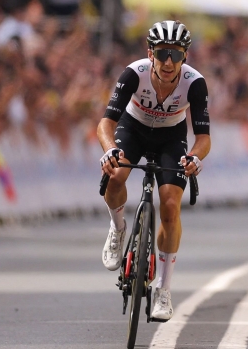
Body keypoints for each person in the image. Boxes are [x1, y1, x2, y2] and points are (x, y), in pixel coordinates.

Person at [97, 20, 211, 321]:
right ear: (151, 54)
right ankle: (118, 228)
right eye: (162, 54)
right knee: (116, 174)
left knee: (171, 205)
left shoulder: (195, 83)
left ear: (185, 56)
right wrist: (110, 150)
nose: (169, 62)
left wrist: (195, 158)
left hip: (171, 139)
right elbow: (106, 123)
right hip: (132, 129)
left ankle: (163, 288)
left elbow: (203, 138)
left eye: (176, 54)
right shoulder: (134, 73)